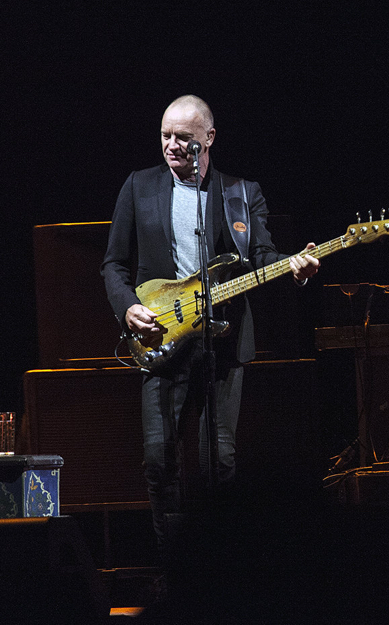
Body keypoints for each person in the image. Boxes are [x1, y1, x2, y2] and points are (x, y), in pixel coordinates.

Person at [101, 95, 319, 555]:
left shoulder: (241, 192)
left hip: (222, 346)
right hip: (161, 338)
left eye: (185, 137)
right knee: (160, 460)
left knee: (218, 462)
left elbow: (261, 258)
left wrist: (293, 265)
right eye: (166, 135)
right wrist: (127, 309)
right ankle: (170, 566)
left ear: (209, 138)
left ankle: (219, 567)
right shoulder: (139, 186)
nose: (173, 145)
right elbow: (114, 265)